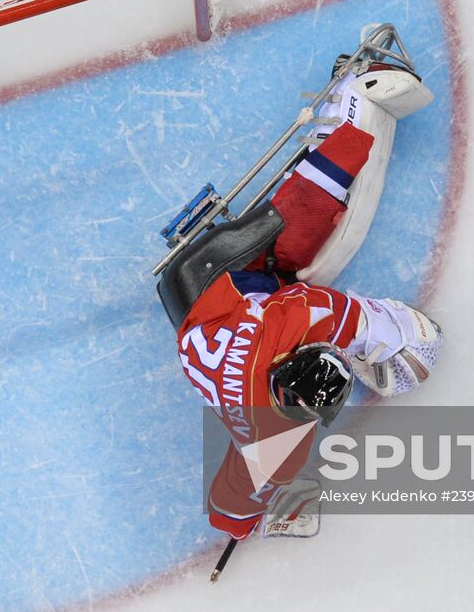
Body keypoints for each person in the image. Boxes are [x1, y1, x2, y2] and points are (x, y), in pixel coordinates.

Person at [160, 45, 442, 541]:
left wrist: (404, 341)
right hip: (226, 335)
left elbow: (354, 317)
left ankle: (350, 104)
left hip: (211, 289)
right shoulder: (271, 442)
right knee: (311, 258)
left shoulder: (290, 327)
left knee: (305, 221)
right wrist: (236, 525)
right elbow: (229, 504)